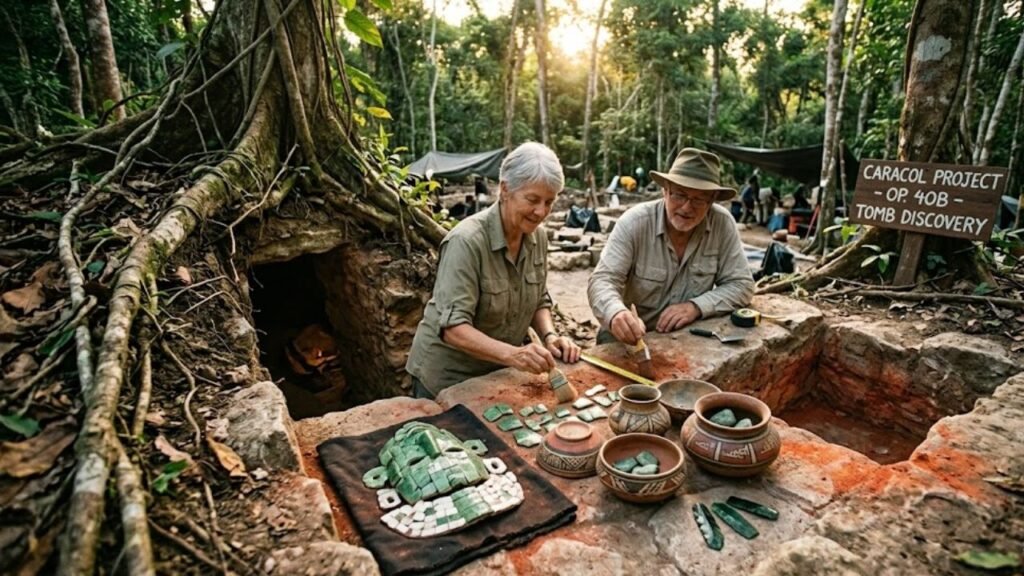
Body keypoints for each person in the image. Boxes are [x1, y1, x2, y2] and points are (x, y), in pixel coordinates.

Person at [406, 142, 582, 399]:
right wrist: (515, 354)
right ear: (505, 189)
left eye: (549, 202)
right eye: (533, 200)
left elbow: (538, 298)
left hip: (497, 373)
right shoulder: (466, 242)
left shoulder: (539, 237)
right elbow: (453, 329)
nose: (541, 212)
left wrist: (550, 335)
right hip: (447, 379)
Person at [587, 148, 755, 345]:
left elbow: (741, 285)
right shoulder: (634, 222)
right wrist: (615, 312)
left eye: (698, 199)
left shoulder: (722, 224)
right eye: (679, 195)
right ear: (665, 191)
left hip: (684, 341)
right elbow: (602, 280)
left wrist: (696, 307)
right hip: (627, 342)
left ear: (711, 201)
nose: (687, 207)